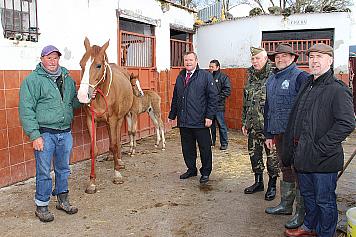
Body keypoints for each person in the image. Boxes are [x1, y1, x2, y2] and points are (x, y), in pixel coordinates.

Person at [283, 43, 355, 237]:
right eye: (312, 56)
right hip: (303, 155)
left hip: (323, 158)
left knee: (325, 200)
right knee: (308, 197)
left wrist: (320, 147)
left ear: (330, 61)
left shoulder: (337, 89)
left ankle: (326, 233)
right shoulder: (307, 84)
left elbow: (346, 124)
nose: (314, 60)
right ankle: (309, 227)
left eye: (320, 57)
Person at [19, 45, 81, 222]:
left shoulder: (67, 79)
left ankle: (62, 200)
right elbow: (26, 109)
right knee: (44, 171)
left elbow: (72, 103)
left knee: (63, 168)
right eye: (49, 58)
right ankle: (42, 205)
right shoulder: (32, 81)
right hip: (45, 134)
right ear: (42, 60)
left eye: (55, 58)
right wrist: (34, 135)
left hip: (65, 132)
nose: (52, 61)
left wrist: (85, 98)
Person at [264, 43, 309, 229]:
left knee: (299, 172)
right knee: (286, 168)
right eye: (277, 56)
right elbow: (267, 108)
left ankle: (301, 213)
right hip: (279, 133)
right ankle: (285, 205)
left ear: (293, 58)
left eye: (285, 56)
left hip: (296, 135)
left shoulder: (301, 77)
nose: (280, 59)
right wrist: (268, 133)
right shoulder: (272, 79)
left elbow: (308, 106)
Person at [168, 51, 218, 184]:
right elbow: (176, 97)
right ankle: (191, 169)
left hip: (200, 120)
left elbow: (213, 98)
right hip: (184, 121)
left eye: (190, 60)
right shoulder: (180, 77)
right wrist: (172, 114)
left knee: (204, 148)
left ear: (196, 61)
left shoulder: (205, 76)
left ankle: (206, 172)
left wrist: (209, 116)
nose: (188, 63)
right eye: (186, 60)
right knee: (187, 147)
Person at [242, 47, 279, 201]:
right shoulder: (250, 76)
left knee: (272, 157)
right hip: (253, 126)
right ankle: (258, 182)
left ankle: (272, 185)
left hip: (269, 127)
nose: (254, 61)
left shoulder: (274, 75)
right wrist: (244, 122)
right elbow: (246, 101)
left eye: (257, 58)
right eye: (253, 59)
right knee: (254, 154)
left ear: (265, 59)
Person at [208, 59, 231, 150]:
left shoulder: (223, 77)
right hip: (209, 106)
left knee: (221, 125)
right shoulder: (208, 76)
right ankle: (211, 142)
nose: (210, 68)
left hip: (219, 106)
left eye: (212, 67)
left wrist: (217, 98)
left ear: (217, 67)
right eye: (209, 66)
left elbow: (227, 91)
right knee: (211, 125)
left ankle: (224, 143)